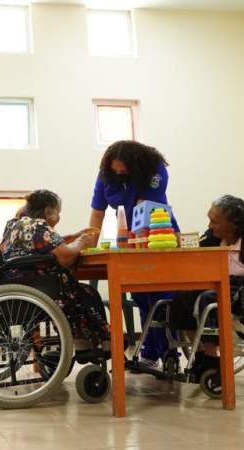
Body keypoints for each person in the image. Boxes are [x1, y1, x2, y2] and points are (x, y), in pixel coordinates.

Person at [170, 195, 244, 378]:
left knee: (209, 299)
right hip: (221, 281)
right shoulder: (214, 236)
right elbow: (194, 247)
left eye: (214, 222)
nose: (209, 226)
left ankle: (211, 358)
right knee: (184, 295)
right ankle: (201, 357)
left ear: (234, 223)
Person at [89, 140, 177, 371]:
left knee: (161, 297)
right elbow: (97, 214)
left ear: (135, 164)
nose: (118, 173)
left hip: (158, 236)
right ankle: (149, 353)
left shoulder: (154, 168)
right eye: (114, 169)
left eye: (122, 169)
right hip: (131, 241)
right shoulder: (106, 175)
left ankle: (170, 352)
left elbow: (145, 208)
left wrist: (137, 242)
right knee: (140, 297)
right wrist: (88, 246)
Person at [1, 189, 108, 345]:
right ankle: (95, 342)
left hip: (14, 286)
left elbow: (44, 245)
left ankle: (79, 342)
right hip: (39, 288)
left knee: (81, 291)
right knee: (88, 293)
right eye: (58, 212)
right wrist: (82, 242)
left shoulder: (16, 224)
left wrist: (76, 236)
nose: (59, 217)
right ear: (48, 211)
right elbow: (66, 257)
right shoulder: (38, 225)